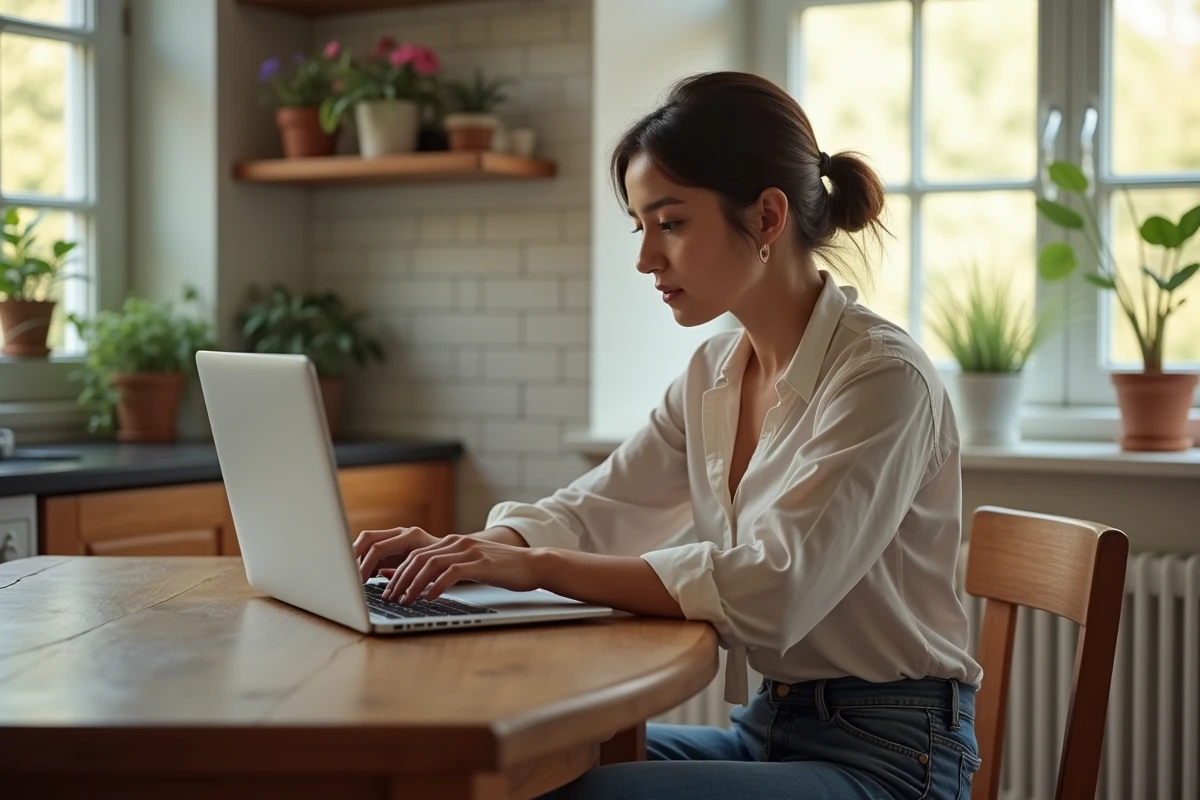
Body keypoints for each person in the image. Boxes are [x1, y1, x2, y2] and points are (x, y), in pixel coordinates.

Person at [354, 71, 983, 800]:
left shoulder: (881, 378)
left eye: (671, 223)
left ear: (769, 218)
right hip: (768, 729)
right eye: (640, 226)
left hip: (893, 756)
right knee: (510, 769)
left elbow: (772, 589)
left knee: (582, 793)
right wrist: (475, 552)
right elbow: (599, 509)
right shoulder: (714, 371)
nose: (646, 258)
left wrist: (536, 568)